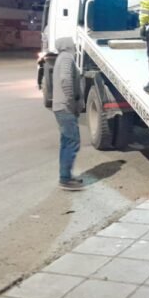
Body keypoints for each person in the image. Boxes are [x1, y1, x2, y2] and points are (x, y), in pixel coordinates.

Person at [52, 37, 85, 191]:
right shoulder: (66, 57)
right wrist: (71, 102)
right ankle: (65, 179)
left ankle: (65, 176)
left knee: (66, 142)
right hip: (65, 107)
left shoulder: (61, 57)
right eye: (72, 43)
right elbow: (66, 80)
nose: (75, 45)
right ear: (68, 45)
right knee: (72, 142)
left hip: (61, 107)